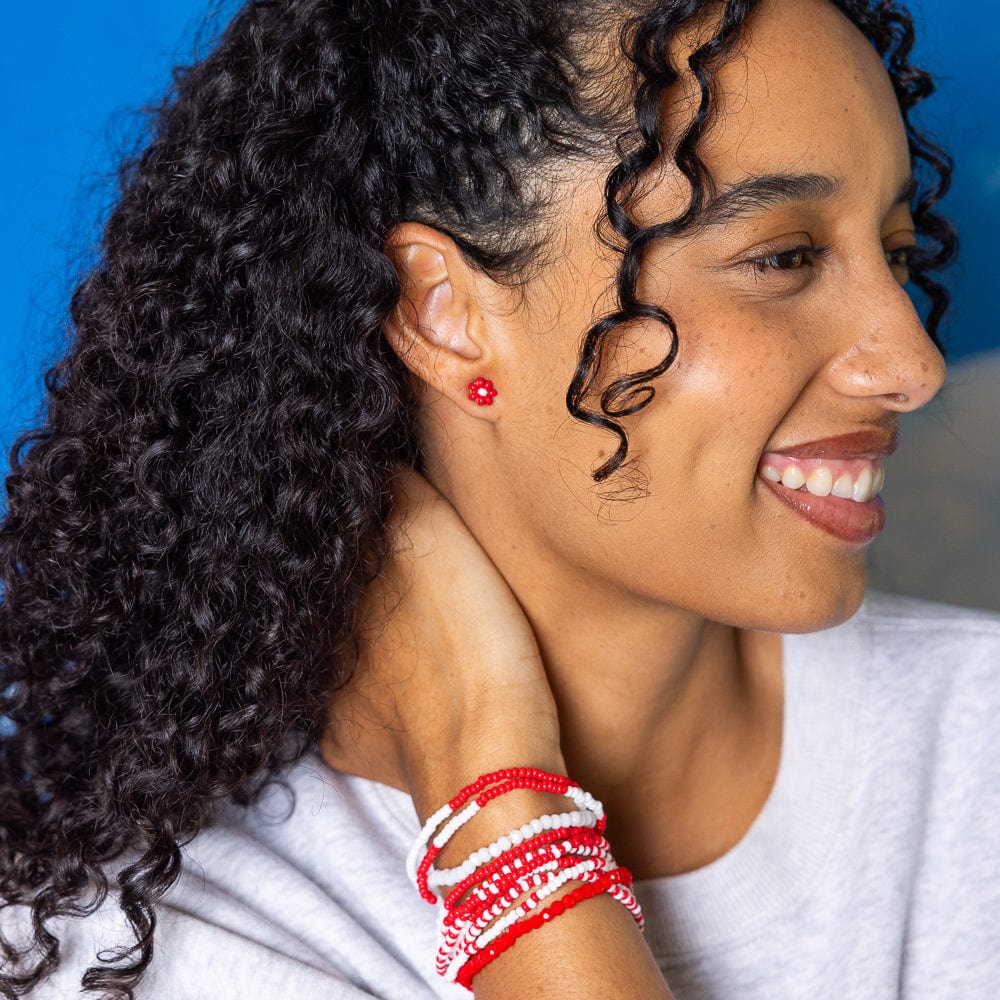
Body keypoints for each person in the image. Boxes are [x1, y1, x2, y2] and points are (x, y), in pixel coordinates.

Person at [2, 0, 998, 997]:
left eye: (898, 252)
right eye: (780, 258)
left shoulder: (976, 742)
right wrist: (492, 790)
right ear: (447, 312)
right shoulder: (145, 940)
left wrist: (501, 804)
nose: (911, 362)